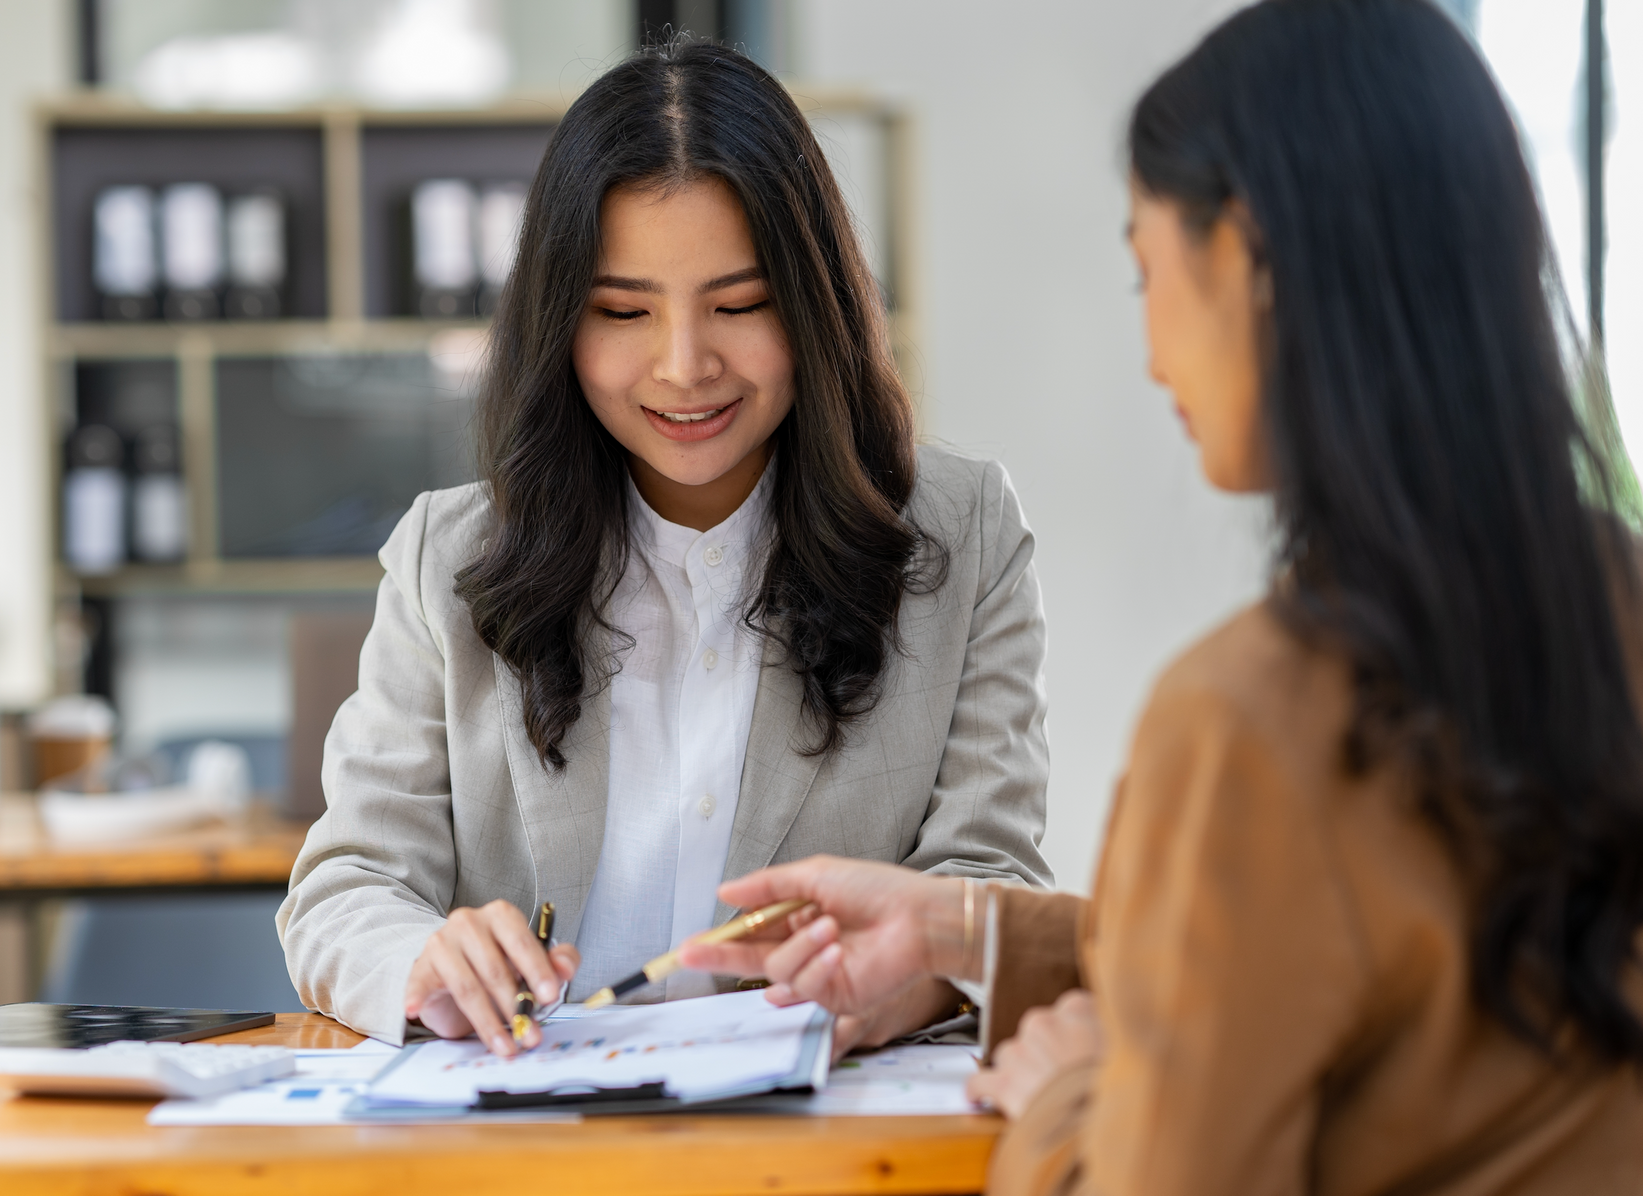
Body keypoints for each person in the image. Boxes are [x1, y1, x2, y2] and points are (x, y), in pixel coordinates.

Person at [681, 0, 1643, 1189]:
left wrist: (1068, 1097)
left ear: (1247, 255)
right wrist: (964, 931)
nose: (1148, 354)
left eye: (1148, 269)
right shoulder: (1612, 602)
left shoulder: (1250, 716)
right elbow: (1347, 954)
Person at [279, 39, 1054, 1057]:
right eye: (623, 311)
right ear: (559, 320)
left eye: (739, 305)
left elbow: (991, 881)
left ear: (813, 303)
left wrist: (904, 984)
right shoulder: (447, 558)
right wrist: (422, 958)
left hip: (830, 1131)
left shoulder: (960, 533)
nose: (685, 365)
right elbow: (347, 886)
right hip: (524, 1138)